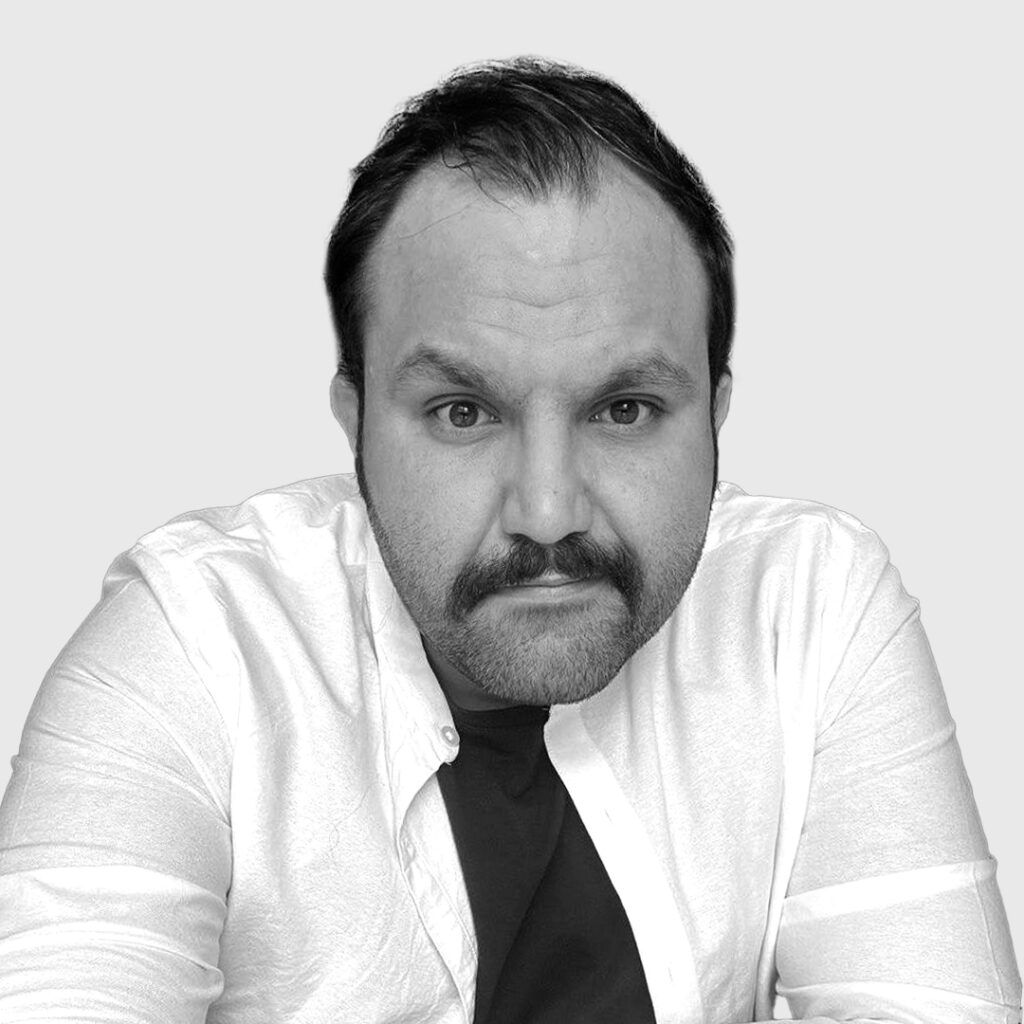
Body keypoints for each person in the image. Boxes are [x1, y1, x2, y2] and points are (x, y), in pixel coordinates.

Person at [0, 57, 1019, 1024]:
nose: (546, 510)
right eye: (462, 412)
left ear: (715, 414)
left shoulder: (811, 604)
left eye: (623, 409)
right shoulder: (192, 642)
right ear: (355, 423)